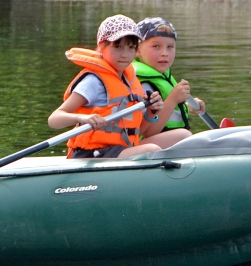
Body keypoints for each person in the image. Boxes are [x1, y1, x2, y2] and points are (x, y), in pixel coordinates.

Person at [47, 14, 184, 159]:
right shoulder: (93, 81)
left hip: (119, 149)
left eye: (131, 47)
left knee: (180, 136)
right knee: (152, 150)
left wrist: (151, 112)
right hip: (91, 154)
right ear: (101, 46)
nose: (125, 54)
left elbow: (135, 131)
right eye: (118, 47)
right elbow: (54, 119)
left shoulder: (130, 81)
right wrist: (83, 118)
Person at [133, 17, 202, 143]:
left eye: (170, 47)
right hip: (141, 145)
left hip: (162, 142)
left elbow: (168, 112)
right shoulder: (142, 85)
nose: (165, 53)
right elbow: (148, 132)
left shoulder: (162, 75)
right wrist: (174, 98)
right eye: (156, 46)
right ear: (137, 50)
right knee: (184, 136)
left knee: (186, 136)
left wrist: (188, 107)